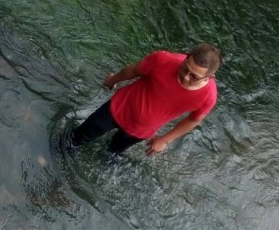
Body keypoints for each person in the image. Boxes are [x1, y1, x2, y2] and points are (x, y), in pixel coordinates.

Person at [70, 44, 221, 156]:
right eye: (185, 68)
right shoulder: (163, 59)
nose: (186, 76)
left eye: (194, 76)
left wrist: (165, 140)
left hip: (139, 132)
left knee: (111, 152)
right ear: (186, 57)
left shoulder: (209, 96)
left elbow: (194, 120)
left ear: (209, 77)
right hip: (116, 110)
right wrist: (113, 79)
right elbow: (134, 70)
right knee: (74, 140)